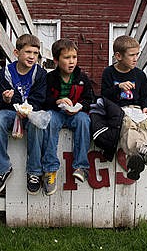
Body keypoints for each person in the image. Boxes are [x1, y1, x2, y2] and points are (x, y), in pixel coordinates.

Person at [0, 34, 47, 195]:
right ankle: (1, 169)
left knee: (37, 125)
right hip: (10, 111)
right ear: (16, 52)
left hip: (31, 112)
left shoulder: (39, 73)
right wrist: (6, 98)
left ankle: (34, 172)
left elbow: (40, 97)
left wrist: (25, 109)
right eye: (28, 52)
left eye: (35, 53)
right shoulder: (6, 72)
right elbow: (1, 93)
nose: (32, 57)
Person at [101, 35, 147, 181]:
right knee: (128, 125)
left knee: (143, 125)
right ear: (118, 56)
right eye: (132, 55)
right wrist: (118, 87)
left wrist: (146, 107)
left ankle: (134, 161)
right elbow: (104, 96)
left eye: (137, 54)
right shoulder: (109, 73)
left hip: (136, 109)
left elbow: (145, 96)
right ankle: (142, 149)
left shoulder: (139, 75)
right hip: (117, 109)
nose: (136, 58)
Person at [41, 38, 95, 195]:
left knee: (85, 120)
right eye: (67, 58)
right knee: (49, 121)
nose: (71, 62)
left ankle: (81, 166)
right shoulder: (49, 78)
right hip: (56, 112)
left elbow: (89, 99)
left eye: (74, 57)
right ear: (56, 60)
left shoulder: (82, 78)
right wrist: (57, 101)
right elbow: (43, 100)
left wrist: (79, 107)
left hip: (75, 113)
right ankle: (50, 170)